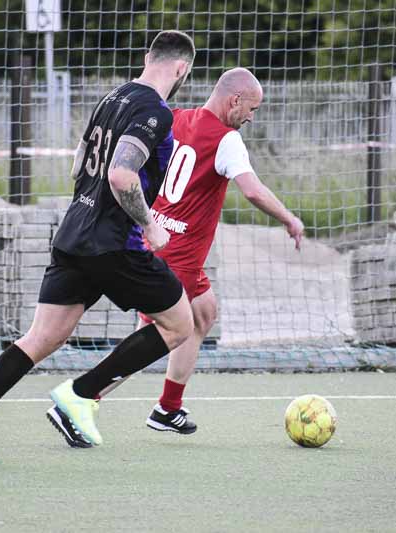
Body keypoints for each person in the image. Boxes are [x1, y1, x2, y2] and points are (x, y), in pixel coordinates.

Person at [0, 30, 196, 465]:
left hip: (74, 232)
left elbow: (78, 164)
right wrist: (149, 225)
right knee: (179, 325)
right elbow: (121, 176)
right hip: (113, 243)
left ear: (147, 57)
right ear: (181, 68)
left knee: (42, 338)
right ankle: (81, 393)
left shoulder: (111, 98)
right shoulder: (155, 110)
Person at [120, 67, 304, 436]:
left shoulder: (176, 118)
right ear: (235, 100)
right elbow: (252, 191)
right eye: (251, 108)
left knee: (203, 313)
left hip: (157, 239)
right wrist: (289, 218)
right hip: (180, 255)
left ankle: (167, 408)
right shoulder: (227, 139)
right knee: (152, 337)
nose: (251, 117)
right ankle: (83, 398)